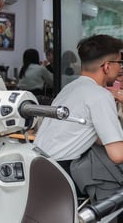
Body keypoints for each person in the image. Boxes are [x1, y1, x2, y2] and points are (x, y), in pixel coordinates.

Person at [34, 34, 123, 203]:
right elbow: (117, 154)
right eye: (119, 63)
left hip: (40, 168)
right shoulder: (100, 95)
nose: (120, 68)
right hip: (62, 175)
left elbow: (98, 138)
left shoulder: (71, 88)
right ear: (106, 66)